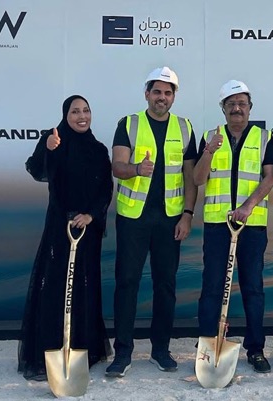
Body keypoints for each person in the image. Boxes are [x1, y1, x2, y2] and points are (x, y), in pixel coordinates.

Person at [106, 66, 198, 377]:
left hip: (170, 220)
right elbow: (117, 167)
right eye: (157, 91)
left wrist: (187, 215)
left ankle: (161, 350)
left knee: (166, 285)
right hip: (133, 219)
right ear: (147, 94)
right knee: (127, 283)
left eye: (167, 92)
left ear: (174, 97)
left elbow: (190, 177)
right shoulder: (129, 124)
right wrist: (136, 169)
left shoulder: (184, 127)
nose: (162, 97)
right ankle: (123, 352)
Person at [19, 95, 113, 381]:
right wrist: (48, 149)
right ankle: (48, 349)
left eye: (86, 111)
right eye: (75, 112)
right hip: (60, 226)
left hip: (87, 229)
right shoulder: (54, 140)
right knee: (56, 285)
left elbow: (105, 189)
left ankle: (82, 348)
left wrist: (91, 215)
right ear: (65, 115)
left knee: (85, 286)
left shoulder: (98, 149)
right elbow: (37, 170)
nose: (81, 116)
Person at [194, 80, 273, 373]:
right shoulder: (209, 137)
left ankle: (255, 349)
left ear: (250, 108)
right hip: (218, 225)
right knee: (212, 287)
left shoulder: (264, 137)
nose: (237, 109)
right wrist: (208, 152)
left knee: (253, 288)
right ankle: (208, 347)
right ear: (223, 108)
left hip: (251, 226)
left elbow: (271, 177)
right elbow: (198, 179)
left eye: (242, 103)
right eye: (231, 104)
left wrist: (248, 206)